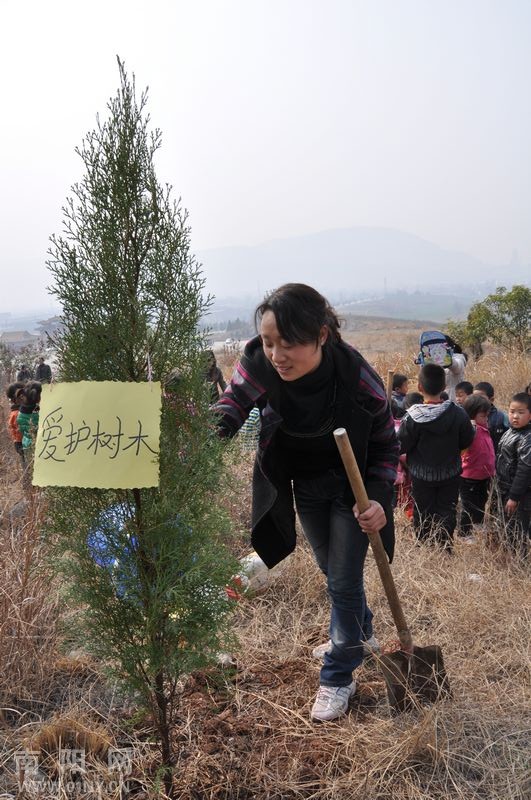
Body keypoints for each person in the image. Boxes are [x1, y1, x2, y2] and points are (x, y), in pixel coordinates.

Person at [212, 284, 399, 722]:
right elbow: (234, 402)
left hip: (352, 486)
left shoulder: (354, 374)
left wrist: (378, 498)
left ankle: (338, 675)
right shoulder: (259, 359)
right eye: (270, 341)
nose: (277, 354)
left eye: (289, 343)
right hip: (303, 482)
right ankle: (362, 633)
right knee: (328, 566)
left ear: (321, 336)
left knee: (343, 579)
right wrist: (205, 438)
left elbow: (387, 443)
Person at [398, 363, 474, 551]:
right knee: (447, 509)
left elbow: (401, 446)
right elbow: (467, 440)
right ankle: (445, 546)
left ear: (420, 388)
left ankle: (424, 546)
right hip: (450, 472)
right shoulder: (458, 413)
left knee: (422, 510)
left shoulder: (412, 418)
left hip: (421, 475)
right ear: (444, 387)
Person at [496, 392, 531, 554]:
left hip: (520, 494)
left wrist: (514, 496)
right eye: (512, 411)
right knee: (508, 527)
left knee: (518, 529)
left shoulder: (527, 438)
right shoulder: (510, 431)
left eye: (521, 412)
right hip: (504, 489)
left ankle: (519, 563)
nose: (515, 416)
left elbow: (524, 470)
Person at [458, 394, 495, 540]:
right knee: (468, 505)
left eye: (487, 416)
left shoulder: (484, 428)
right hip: (469, 476)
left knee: (482, 500)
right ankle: (464, 533)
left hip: (484, 475)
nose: (486, 419)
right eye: (483, 416)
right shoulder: (471, 430)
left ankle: (478, 523)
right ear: (472, 416)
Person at [473, 381, 509, 454]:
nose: (477, 401)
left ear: (491, 400)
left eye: (481, 398)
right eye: (474, 398)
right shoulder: (470, 416)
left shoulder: (502, 417)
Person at [16, 381, 42, 452]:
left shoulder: (20, 414)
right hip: (38, 447)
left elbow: (21, 430)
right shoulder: (39, 415)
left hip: (26, 445)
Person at [6, 382, 25, 466]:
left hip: (19, 442)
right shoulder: (17, 413)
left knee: (25, 463)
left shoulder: (15, 412)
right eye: (22, 396)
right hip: (21, 443)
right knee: (26, 464)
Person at [444, 337, 467, 403]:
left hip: (454, 399)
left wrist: (446, 359)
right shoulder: (433, 359)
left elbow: (457, 367)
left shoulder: (458, 357)